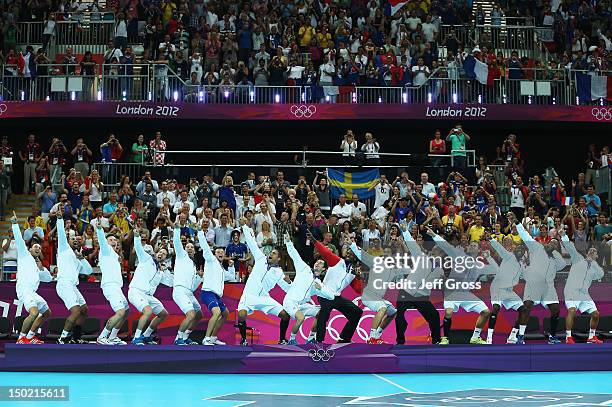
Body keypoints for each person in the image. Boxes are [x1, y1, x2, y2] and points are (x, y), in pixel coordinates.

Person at [429, 228, 494, 345]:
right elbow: (446, 247)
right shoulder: (460, 256)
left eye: (475, 246)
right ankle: (445, 339)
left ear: (479, 250)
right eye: (471, 245)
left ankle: (475, 337)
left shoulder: (480, 265)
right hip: (452, 292)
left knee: (486, 312)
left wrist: (489, 257)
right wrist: (434, 235)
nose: (472, 246)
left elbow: (496, 270)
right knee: (448, 312)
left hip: (466, 294)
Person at [237, 224, 291, 346]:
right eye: (271, 252)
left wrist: (289, 282)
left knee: (285, 315)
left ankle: (282, 339)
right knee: (241, 315)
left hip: (264, 298)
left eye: (274, 253)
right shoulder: (260, 258)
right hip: (249, 295)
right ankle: (243, 340)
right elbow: (252, 243)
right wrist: (245, 226)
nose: (271, 254)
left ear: (278, 259)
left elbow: (287, 289)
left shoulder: (279, 272)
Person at [514, 223, 566, 344]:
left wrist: (554, 253)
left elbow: (562, 265)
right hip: (533, 284)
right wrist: (518, 224)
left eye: (555, 244)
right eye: (551, 242)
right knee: (527, 308)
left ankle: (552, 336)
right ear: (547, 243)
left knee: (556, 310)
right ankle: (520, 336)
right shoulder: (537, 248)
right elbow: (525, 236)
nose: (552, 244)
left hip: (548, 286)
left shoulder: (556, 257)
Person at [395, 223, 443, 345]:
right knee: (399, 316)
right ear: (432, 252)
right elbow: (413, 245)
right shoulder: (422, 257)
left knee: (434, 316)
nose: (437, 254)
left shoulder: (440, 270)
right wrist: (405, 231)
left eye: (440, 253)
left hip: (422, 296)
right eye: (436, 251)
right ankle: (400, 341)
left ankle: (436, 340)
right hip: (407, 292)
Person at [312, 231, 364, 343]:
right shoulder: (337, 261)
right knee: (323, 316)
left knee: (357, 312)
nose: (348, 253)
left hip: (336, 297)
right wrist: (314, 241)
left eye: (352, 252)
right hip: (324, 293)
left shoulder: (353, 271)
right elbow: (325, 252)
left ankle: (344, 339)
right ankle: (319, 343)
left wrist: (359, 277)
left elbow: (358, 290)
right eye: (348, 251)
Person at [282, 234, 334, 345]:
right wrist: (288, 242)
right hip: (290, 301)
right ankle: (291, 340)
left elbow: (331, 296)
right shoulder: (304, 268)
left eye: (320, 264)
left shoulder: (318, 283)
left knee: (321, 313)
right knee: (300, 318)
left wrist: (321, 289)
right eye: (317, 262)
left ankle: (310, 338)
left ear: (323, 269)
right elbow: (294, 255)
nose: (317, 264)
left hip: (301, 305)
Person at [11, 213, 53, 344]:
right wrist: (14, 224)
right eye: (36, 246)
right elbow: (19, 239)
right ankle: (21, 339)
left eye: (39, 248)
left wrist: (41, 268)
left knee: (47, 313)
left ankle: (30, 336)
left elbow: (48, 279)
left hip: (33, 292)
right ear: (29, 249)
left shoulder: (37, 266)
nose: (38, 248)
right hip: (24, 290)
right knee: (34, 313)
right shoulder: (24, 255)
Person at [129, 229, 173, 345]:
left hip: (148, 296)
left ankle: (146, 335)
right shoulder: (146, 258)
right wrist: (137, 236)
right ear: (156, 252)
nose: (161, 254)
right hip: (136, 291)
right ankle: (136, 338)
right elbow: (138, 248)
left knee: (163, 314)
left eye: (164, 254)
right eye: (160, 252)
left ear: (165, 258)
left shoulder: (161, 272)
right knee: (148, 312)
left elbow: (171, 283)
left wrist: (166, 270)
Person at [55, 211, 93, 344]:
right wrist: (60, 219)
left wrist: (81, 258)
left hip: (73, 286)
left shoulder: (77, 259)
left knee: (84, 310)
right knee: (76, 311)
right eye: (72, 239)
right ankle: (62, 338)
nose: (75, 240)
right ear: (67, 241)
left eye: (77, 239)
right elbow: (60, 234)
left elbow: (88, 271)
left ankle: (76, 337)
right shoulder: (63, 249)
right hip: (64, 284)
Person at [350, 242, 398, 344]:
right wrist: (352, 244)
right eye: (384, 252)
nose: (386, 254)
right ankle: (371, 338)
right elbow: (361, 255)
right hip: (369, 295)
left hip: (379, 298)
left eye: (388, 252)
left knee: (393, 312)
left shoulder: (394, 269)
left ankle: (377, 335)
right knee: (383, 308)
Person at [561, 232, 603, 344]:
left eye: (594, 252)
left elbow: (601, 275)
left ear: (596, 256)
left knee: (596, 314)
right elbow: (570, 247)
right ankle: (568, 337)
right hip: (571, 291)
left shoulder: (595, 268)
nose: (592, 252)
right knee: (572, 310)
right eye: (591, 251)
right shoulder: (578, 259)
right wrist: (564, 235)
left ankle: (591, 337)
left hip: (584, 294)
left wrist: (593, 263)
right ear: (587, 253)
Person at [197, 223, 236, 345]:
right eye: (218, 251)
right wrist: (200, 233)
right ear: (214, 254)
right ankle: (206, 338)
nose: (220, 253)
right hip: (207, 292)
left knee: (225, 314)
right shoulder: (211, 259)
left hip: (216, 296)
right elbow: (204, 246)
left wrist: (231, 266)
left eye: (222, 252)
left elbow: (232, 277)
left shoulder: (221, 269)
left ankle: (213, 337)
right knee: (217, 312)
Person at [487, 236, 529, 344]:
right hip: (497, 288)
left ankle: (513, 336)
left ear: (524, 252)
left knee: (523, 310)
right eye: (518, 249)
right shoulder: (508, 256)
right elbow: (499, 248)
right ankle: (489, 338)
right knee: (496, 308)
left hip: (509, 291)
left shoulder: (523, 264)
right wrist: (491, 239)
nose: (520, 250)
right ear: (515, 250)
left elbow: (527, 277)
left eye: (522, 249)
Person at [95, 223, 129, 345]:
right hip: (110, 286)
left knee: (126, 311)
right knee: (120, 312)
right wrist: (99, 230)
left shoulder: (115, 255)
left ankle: (113, 336)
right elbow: (102, 242)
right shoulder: (106, 250)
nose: (113, 241)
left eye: (115, 239)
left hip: (117, 287)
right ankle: (102, 336)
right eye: (110, 239)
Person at [172, 220, 203, 345]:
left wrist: (199, 278)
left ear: (194, 251)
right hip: (180, 291)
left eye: (192, 247)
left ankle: (185, 336)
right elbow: (176, 243)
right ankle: (178, 338)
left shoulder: (194, 266)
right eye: (187, 247)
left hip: (189, 292)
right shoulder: (181, 256)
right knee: (190, 314)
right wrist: (177, 230)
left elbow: (194, 287)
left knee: (199, 315)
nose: (189, 248)